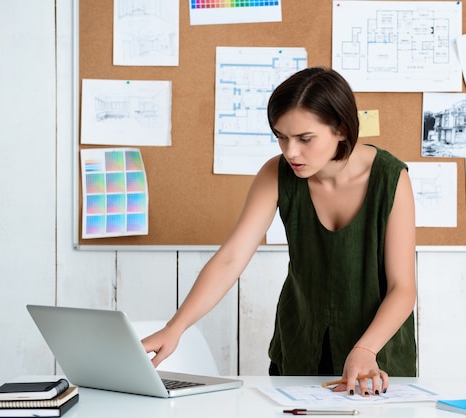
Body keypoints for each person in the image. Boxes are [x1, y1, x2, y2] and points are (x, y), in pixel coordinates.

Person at [142, 66, 417, 397]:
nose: (290, 152)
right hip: (300, 346)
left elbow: (403, 288)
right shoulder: (277, 173)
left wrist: (366, 349)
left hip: (377, 354)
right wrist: (176, 328)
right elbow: (231, 259)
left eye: (304, 139)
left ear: (341, 129)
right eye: (281, 137)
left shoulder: (391, 178)